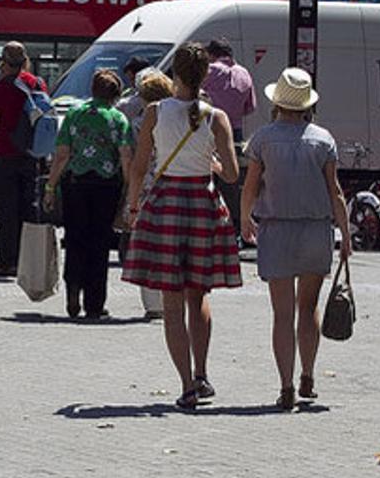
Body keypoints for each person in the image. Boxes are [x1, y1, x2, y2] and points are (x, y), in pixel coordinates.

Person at [121, 43, 242, 410]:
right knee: (198, 295)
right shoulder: (215, 117)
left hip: (165, 205)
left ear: (174, 75)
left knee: (171, 304)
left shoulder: (155, 112)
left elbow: (141, 166)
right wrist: (215, 165)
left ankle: (187, 385)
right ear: (205, 75)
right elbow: (233, 174)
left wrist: (132, 205)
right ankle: (203, 374)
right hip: (203, 206)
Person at [240, 68, 352, 410]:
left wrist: (245, 218)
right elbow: (335, 190)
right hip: (315, 230)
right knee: (309, 308)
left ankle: (285, 386)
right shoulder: (323, 139)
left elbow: (251, 185)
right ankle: (308, 376)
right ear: (307, 105)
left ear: (277, 102)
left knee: (281, 313)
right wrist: (345, 234)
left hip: (276, 230)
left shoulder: (262, 139)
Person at [43, 69, 133, 319]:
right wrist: (128, 191)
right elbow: (126, 157)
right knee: (100, 243)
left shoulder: (74, 114)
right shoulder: (118, 119)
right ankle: (95, 303)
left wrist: (50, 187)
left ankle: (73, 290)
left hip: (75, 184)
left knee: (74, 240)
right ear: (115, 95)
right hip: (106, 187)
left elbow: (62, 155)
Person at [0, 41, 46, 277]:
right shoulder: (37, 83)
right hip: (30, 155)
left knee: (6, 210)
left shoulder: (1, 87)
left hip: (6, 154)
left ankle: (7, 261)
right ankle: (27, 260)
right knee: (27, 208)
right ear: (26, 61)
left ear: (3, 62)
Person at [127, 69, 174, 320]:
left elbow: (137, 163)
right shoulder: (179, 120)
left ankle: (152, 302)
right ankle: (170, 299)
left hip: (146, 187)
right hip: (172, 185)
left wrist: (131, 202)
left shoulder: (138, 122)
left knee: (147, 245)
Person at [203, 39, 257, 240]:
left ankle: (209, 227)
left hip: (209, 128)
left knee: (206, 178)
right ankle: (233, 230)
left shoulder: (209, 70)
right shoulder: (244, 73)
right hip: (235, 131)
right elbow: (250, 107)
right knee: (232, 182)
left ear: (211, 54)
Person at [115, 56, 152, 125]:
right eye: (129, 79)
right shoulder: (129, 93)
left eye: (132, 79)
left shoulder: (154, 96)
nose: (131, 83)